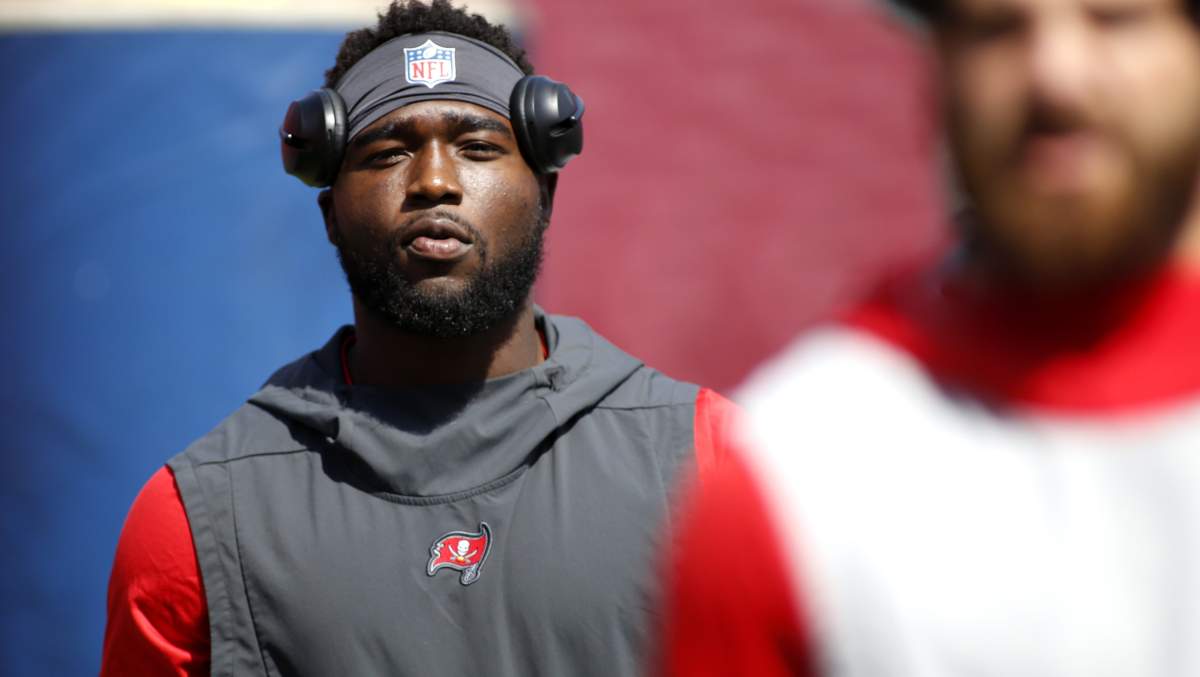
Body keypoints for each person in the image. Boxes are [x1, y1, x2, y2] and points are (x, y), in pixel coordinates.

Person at [100, 2, 735, 675]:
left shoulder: (706, 463)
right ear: (331, 214)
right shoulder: (199, 519)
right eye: (389, 152)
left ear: (545, 195)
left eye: (478, 147)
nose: (434, 181)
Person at [661, 0, 1200, 674]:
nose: (1056, 76)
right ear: (938, 62)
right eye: (997, 27)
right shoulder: (798, 483)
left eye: (1114, 17)